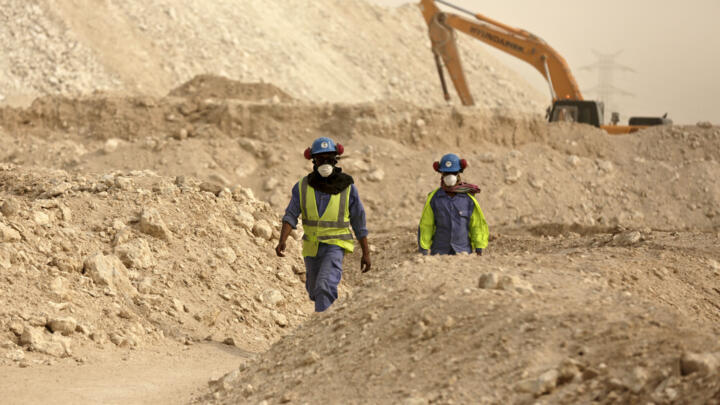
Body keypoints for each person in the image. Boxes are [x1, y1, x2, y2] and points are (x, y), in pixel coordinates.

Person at [275, 137, 371, 312]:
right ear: (313, 160)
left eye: (329, 158)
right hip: (312, 249)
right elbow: (291, 214)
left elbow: (359, 221)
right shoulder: (302, 187)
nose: (325, 163)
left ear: (335, 159)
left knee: (324, 286)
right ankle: (330, 323)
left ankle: (323, 329)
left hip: (335, 246)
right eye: (320, 159)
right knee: (313, 290)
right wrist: (282, 239)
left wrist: (366, 252)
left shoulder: (347, 187)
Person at [418, 153, 489, 256]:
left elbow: (477, 225)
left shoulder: (468, 199)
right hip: (439, 253)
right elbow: (426, 225)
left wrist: (479, 247)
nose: (450, 176)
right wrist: (424, 248)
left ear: (459, 173)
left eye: (453, 172)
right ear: (441, 173)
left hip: (463, 253)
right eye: (446, 173)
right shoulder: (434, 198)